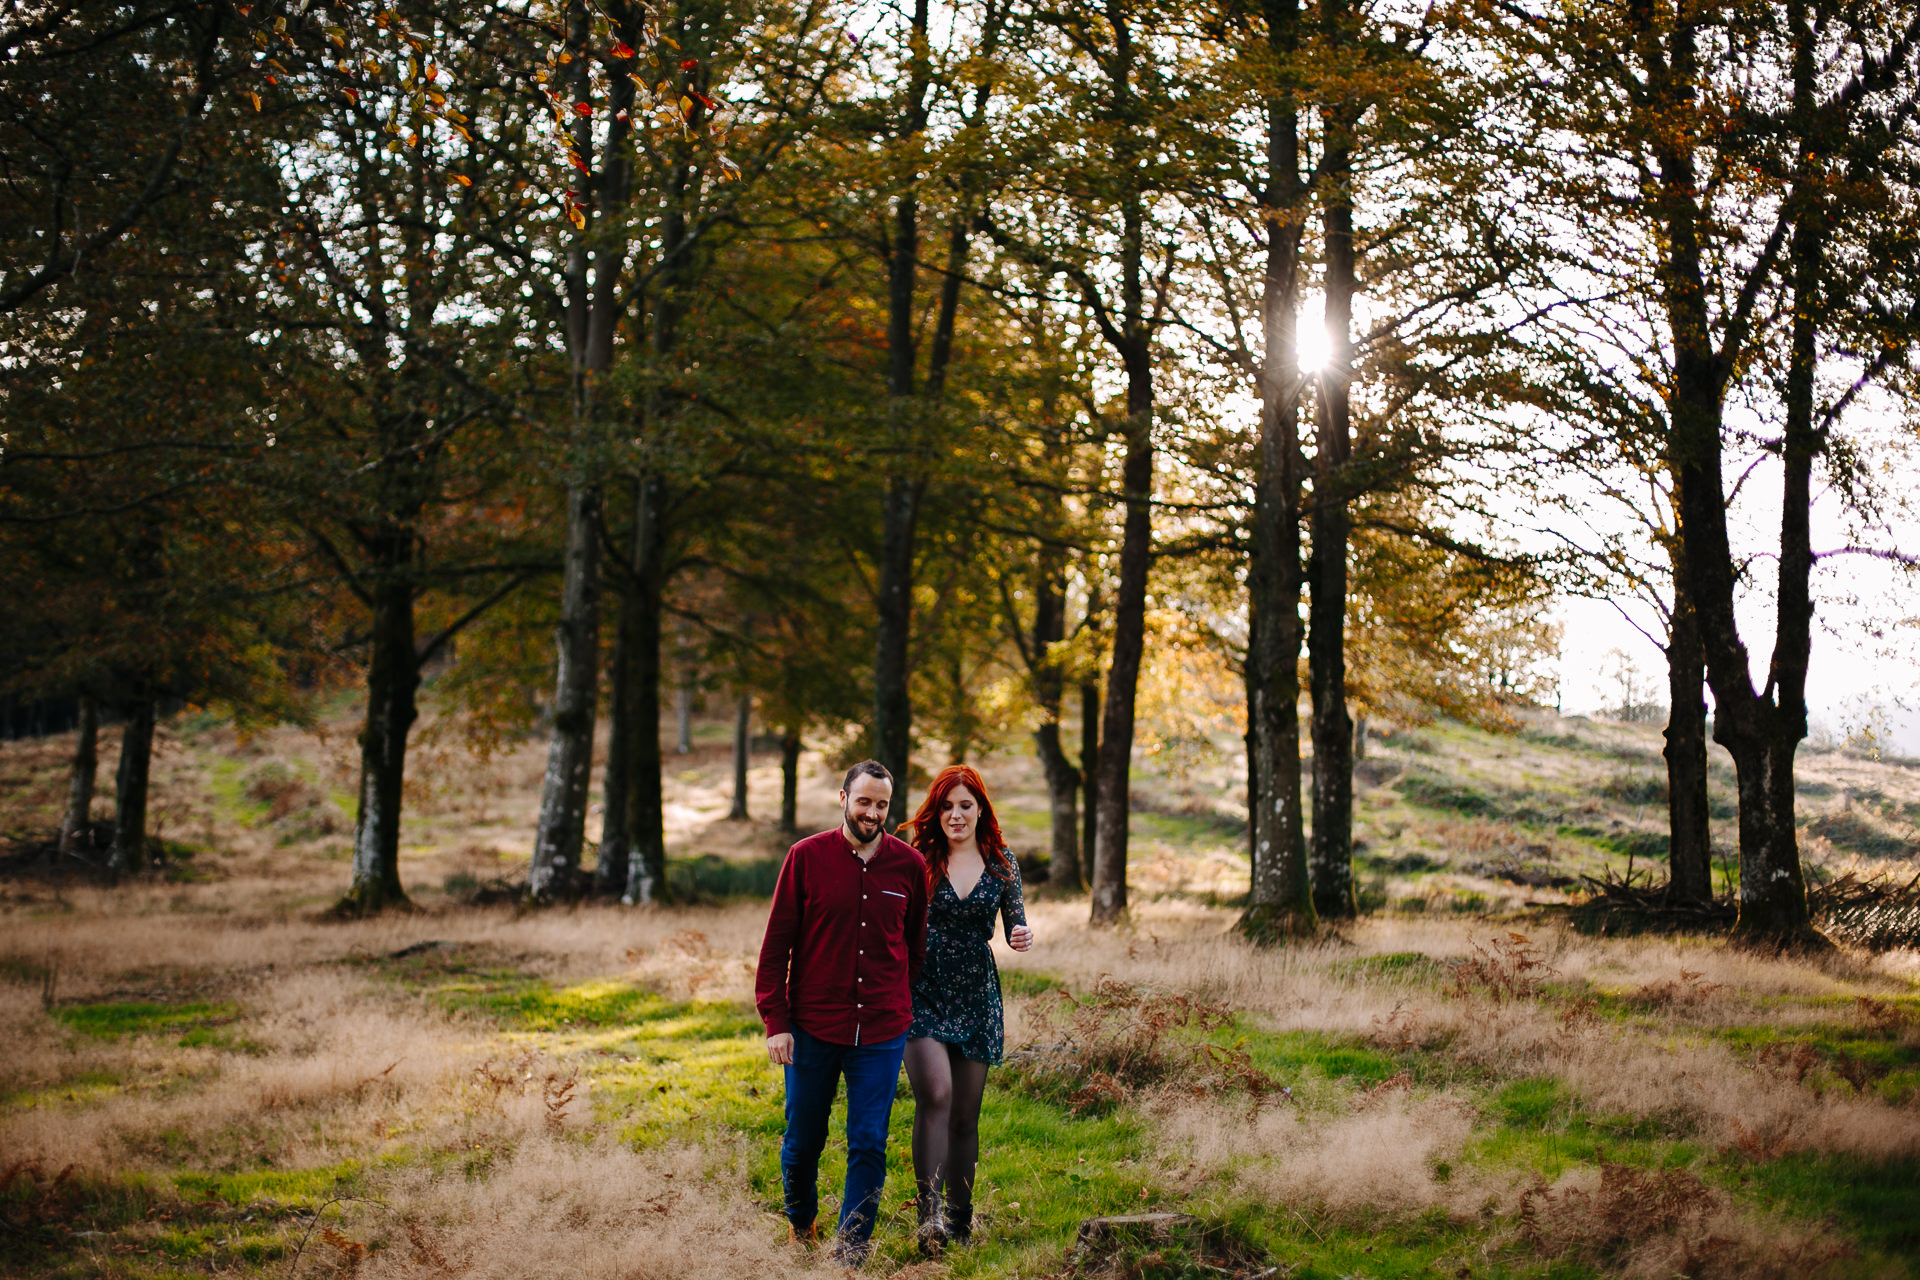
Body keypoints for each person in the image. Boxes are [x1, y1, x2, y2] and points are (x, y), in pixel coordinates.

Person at [754, 760, 928, 1267]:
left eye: (881, 804)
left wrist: (896, 998)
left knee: (869, 1141)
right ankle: (801, 1220)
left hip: (881, 1029)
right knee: (803, 1139)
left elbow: (914, 948)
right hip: (812, 1027)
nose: (872, 812)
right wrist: (776, 1023)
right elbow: (775, 947)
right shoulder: (805, 858)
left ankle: (850, 1251)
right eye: (864, 801)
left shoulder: (909, 867)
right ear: (843, 798)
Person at [901, 764, 1033, 1255]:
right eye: (947, 806)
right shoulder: (918, 858)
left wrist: (1022, 936)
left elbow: (1017, 924)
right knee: (935, 1093)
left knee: (965, 1116)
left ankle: (960, 1221)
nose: (956, 815)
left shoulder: (1002, 863)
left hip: (977, 996)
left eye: (965, 805)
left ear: (980, 810)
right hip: (923, 992)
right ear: (935, 813)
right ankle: (928, 1217)